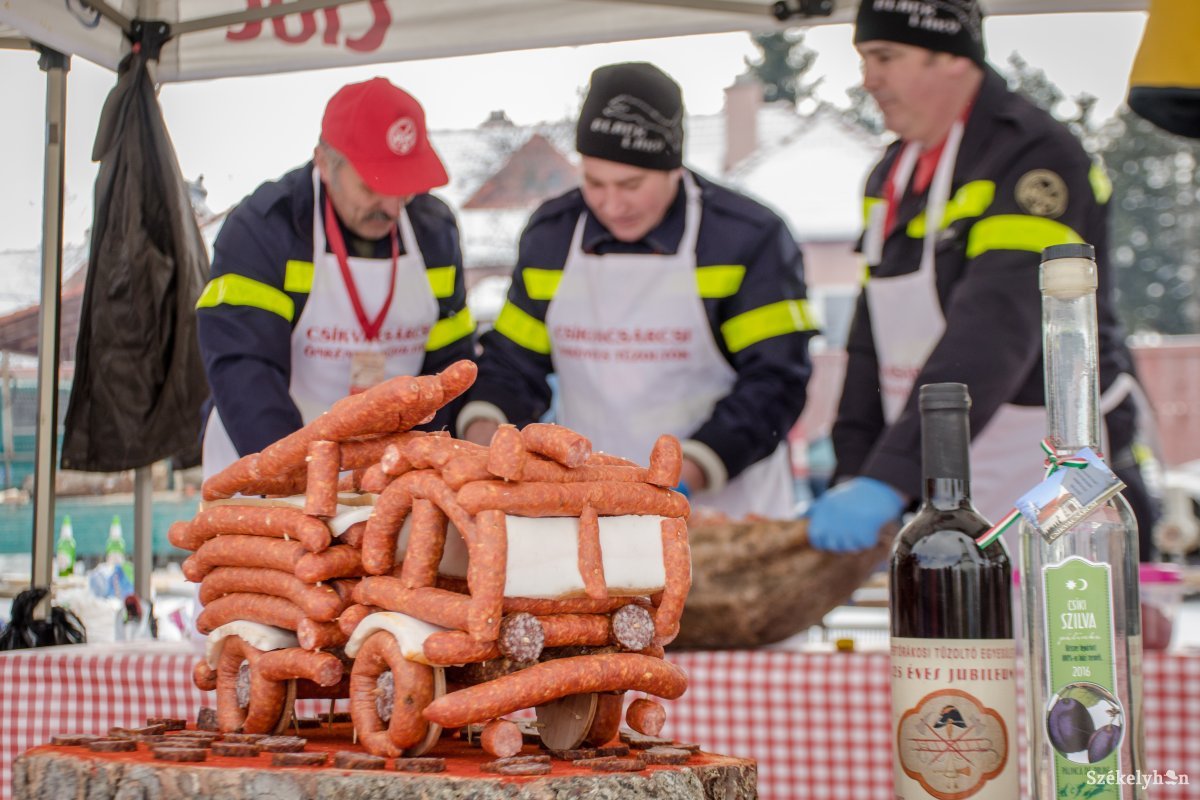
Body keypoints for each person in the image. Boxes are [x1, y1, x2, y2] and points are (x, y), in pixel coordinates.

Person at [808, 0, 1158, 557]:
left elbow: (997, 325)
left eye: (885, 57)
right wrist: (855, 469)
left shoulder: (1033, 152)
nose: (868, 80)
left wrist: (892, 473)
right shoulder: (890, 173)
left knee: (1053, 618)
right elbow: (868, 337)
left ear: (950, 56)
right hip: (933, 465)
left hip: (1043, 461)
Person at [459, 62, 817, 519]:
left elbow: (776, 381)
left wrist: (695, 465)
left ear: (673, 167)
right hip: (591, 510)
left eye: (631, 185)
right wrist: (487, 428)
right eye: (595, 182)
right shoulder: (551, 235)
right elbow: (514, 362)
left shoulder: (747, 237)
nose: (612, 204)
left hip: (723, 516)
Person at [197, 78, 474, 479]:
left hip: (388, 477)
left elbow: (448, 361)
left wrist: (423, 467)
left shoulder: (434, 230)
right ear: (325, 164)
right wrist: (296, 480)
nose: (393, 208)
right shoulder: (264, 228)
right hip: (265, 464)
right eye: (372, 187)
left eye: (404, 189)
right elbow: (244, 367)